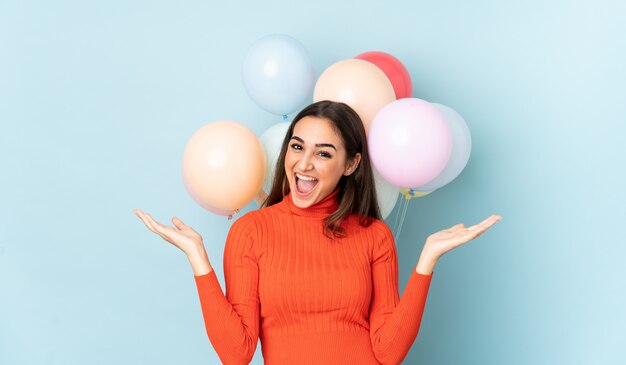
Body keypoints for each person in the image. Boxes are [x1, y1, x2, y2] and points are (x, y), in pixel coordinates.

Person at [134, 100, 502, 365]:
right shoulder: (251, 231)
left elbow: (388, 352)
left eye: (324, 153)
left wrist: (427, 261)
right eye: (297, 147)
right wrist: (198, 259)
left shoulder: (374, 236)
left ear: (351, 163)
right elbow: (237, 353)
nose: (304, 164)